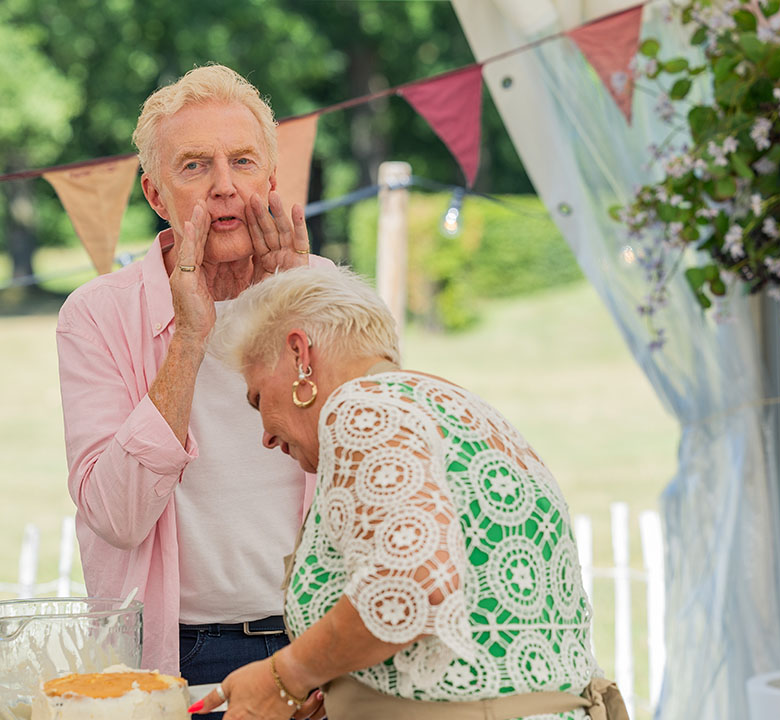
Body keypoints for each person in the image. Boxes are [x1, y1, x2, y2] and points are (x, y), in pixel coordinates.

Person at [197, 266, 626, 720]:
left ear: (301, 355)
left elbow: (409, 583)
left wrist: (283, 678)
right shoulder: (465, 410)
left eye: (258, 398)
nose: (264, 435)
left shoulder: (361, 407)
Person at [55, 64, 332, 712]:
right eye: (195, 167)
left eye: (242, 161)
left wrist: (294, 311)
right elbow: (117, 517)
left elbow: (376, 470)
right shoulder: (97, 315)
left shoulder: (330, 291)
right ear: (156, 194)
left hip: (321, 643)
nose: (224, 188)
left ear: (272, 178)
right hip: (176, 656)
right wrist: (189, 337)